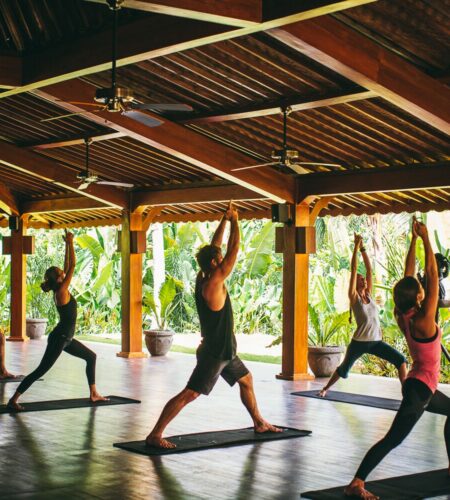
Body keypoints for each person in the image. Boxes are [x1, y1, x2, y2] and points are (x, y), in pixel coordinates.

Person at [146, 202, 280, 449]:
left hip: (226, 351)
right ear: (215, 264)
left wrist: (225, 219)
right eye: (219, 259)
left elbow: (216, 247)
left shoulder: (204, 275)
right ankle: (155, 434)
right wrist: (237, 220)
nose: (221, 258)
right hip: (215, 353)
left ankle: (259, 422)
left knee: (247, 380)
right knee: (191, 394)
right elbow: (233, 249)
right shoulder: (213, 283)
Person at [345, 218, 450, 499]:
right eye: (419, 287)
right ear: (417, 295)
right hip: (419, 391)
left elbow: (409, 274)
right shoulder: (424, 320)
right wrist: (426, 238)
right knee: (393, 439)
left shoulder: (403, 315)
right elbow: (429, 270)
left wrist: (414, 241)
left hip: (419, 384)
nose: (422, 286)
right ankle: (357, 482)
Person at [7, 231, 107, 411]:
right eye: (61, 272)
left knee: (91, 357)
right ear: (59, 278)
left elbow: (68, 265)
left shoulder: (61, 287)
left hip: (65, 338)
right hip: (60, 338)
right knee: (41, 370)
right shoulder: (61, 291)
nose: (64, 271)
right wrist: (70, 241)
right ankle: (13, 399)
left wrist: (69, 244)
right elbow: (73, 265)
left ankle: (93, 393)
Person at [319, 234, 407, 397]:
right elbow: (354, 269)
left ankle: (407, 395)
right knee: (344, 369)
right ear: (355, 283)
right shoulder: (354, 297)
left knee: (401, 360)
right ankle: (325, 389)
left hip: (376, 342)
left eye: (364, 280)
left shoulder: (370, 295)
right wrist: (355, 248)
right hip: (359, 343)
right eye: (361, 280)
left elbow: (369, 269)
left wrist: (363, 248)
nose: (364, 281)